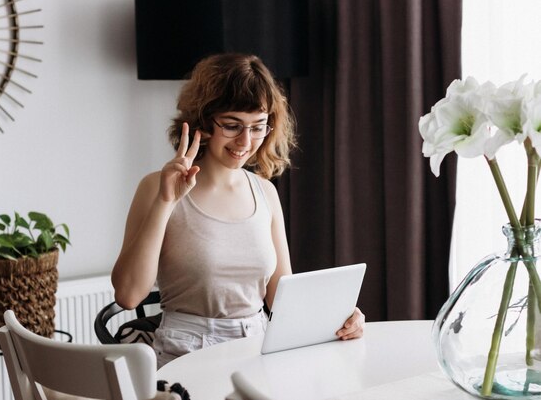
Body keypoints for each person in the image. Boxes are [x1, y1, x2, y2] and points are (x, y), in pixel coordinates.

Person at [111, 53, 365, 368]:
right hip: (186, 355)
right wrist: (166, 201)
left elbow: (281, 300)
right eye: (232, 126)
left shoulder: (265, 193)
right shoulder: (156, 188)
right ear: (203, 122)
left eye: (258, 127)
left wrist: (340, 318)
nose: (245, 141)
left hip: (256, 348)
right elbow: (128, 295)